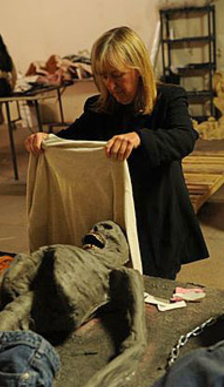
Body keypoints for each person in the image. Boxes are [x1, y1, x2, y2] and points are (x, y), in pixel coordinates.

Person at [25, 26, 209, 279]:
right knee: (114, 277)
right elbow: (71, 138)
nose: (110, 85)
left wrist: (140, 138)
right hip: (113, 213)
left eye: (117, 75)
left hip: (156, 214)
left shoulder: (168, 98)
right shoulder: (99, 108)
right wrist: (48, 140)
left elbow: (184, 137)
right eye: (103, 77)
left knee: (156, 284)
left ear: (138, 68)